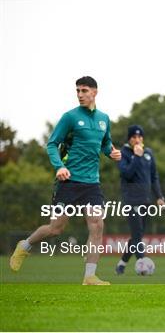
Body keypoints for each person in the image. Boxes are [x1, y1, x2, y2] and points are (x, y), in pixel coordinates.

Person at [9, 76, 121, 285]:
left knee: (97, 225)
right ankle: (24, 246)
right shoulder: (69, 117)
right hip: (69, 182)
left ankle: (89, 276)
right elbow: (52, 144)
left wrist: (112, 152)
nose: (80, 94)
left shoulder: (104, 119)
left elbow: (105, 144)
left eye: (84, 90)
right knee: (55, 229)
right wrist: (59, 166)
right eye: (77, 91)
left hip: (92, 183)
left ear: (95, 92)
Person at [115, 125, 165, 274]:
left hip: (145, 200)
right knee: (137, 235)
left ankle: (122, 264)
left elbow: (154, 176)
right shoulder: (122, 153)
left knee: (137, 235)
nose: (137, 140)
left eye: (140, 137)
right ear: (129, 139)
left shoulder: (148, 153)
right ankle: (142, 264)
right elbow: (127, 174)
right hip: (131, 200)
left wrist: (159, 197)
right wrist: (136, 156)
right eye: (134, 137)